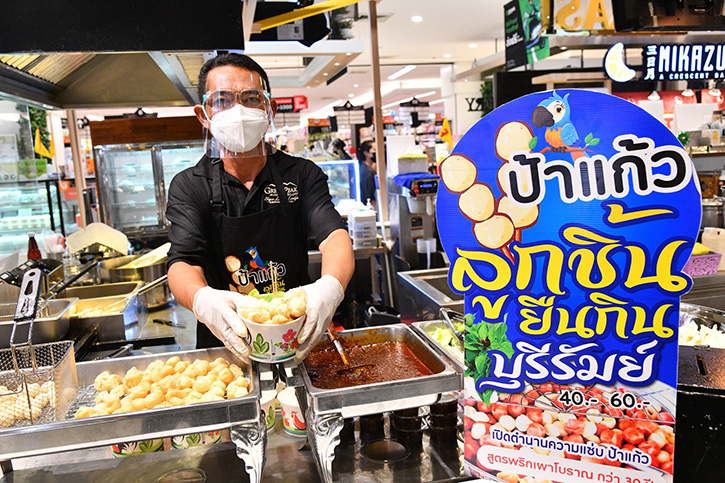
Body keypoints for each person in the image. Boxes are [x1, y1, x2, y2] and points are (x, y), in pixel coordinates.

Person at [166, 53, 354, 364]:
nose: (238, 110)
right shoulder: (190, 185)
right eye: (222, 100)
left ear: (269, 108)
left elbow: (334, 236)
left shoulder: (302, 175)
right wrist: (202, 300)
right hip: (226, 342)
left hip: (297, 333)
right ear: (204, 114)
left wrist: (330, 288)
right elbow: (183, 262)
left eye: (251, 98)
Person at [357, 140, 377, 210]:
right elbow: (370, 197)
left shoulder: (363, 168)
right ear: (366, 153)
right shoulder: (367, 172)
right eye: (374, 149)